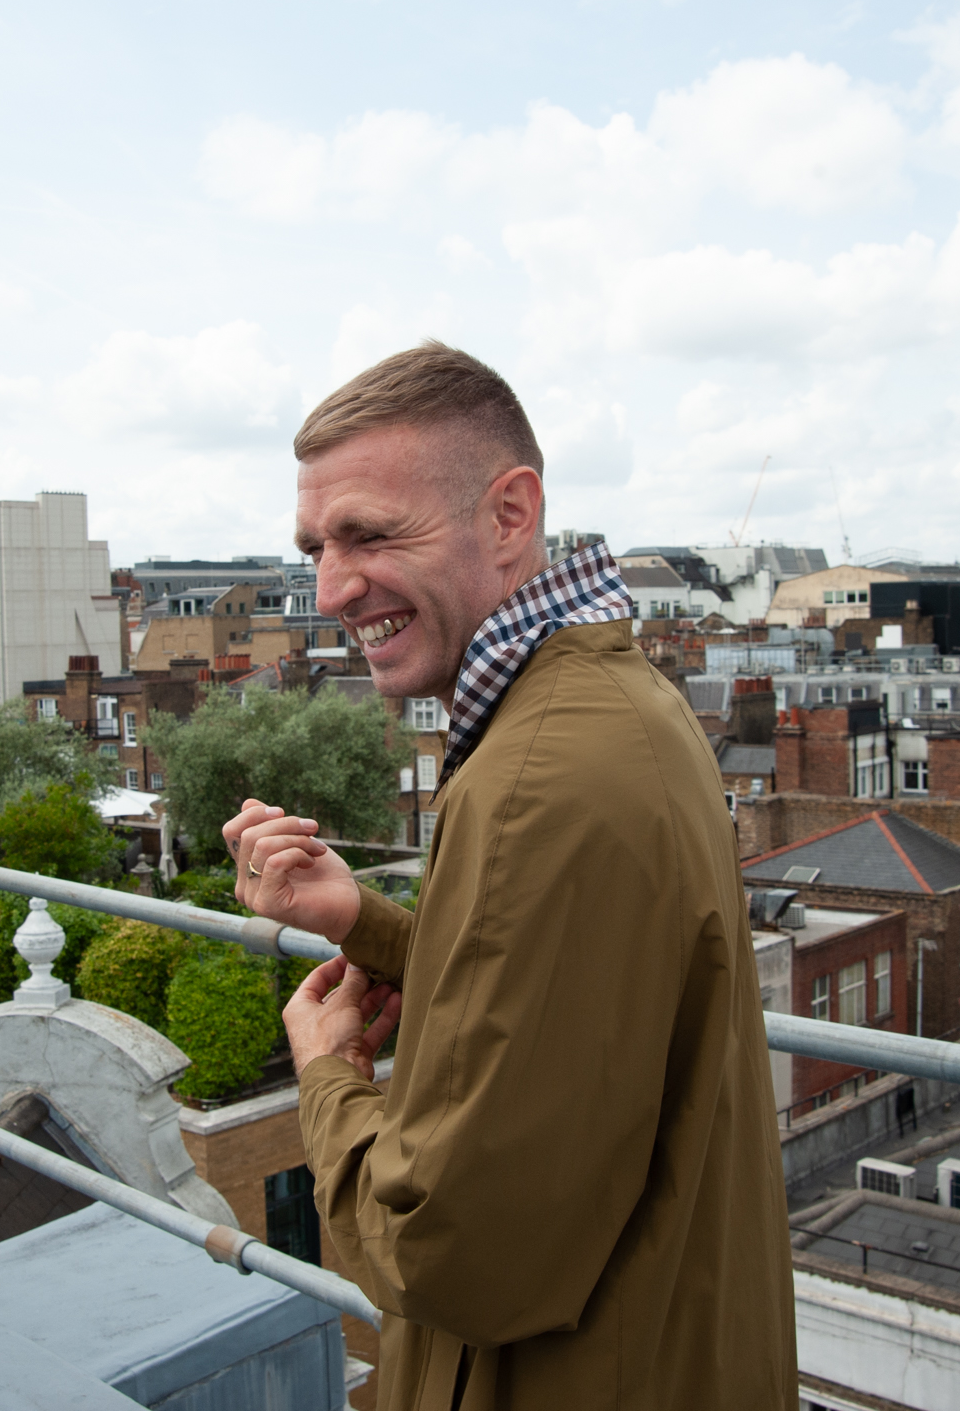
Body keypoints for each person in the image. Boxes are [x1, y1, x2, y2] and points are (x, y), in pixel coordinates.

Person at [223, 343, 794, 1410]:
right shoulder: (615, 700)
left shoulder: (536, 778)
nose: (330, 588)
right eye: (314, 547)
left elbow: (449, 1250)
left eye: (370, 534)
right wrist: (366, 922)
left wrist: (326, 1078)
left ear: (509, 514)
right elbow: (566, 1004)